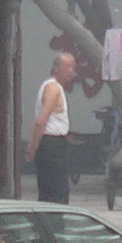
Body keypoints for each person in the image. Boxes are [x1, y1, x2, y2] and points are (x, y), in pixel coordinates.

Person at [28, 51, 77, 203]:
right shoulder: (53, 88)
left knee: (51, 190)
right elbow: (41, 121)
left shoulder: (53, 87)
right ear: (56, 68)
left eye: (73, 67)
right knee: (56, 192)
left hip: (55, 143)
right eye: (67, 67)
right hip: (51, 144)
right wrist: (32, 147)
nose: (71, 71)